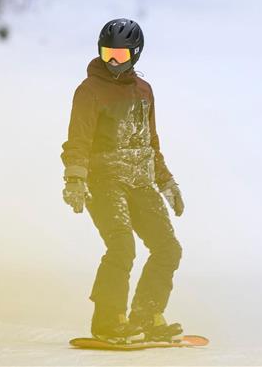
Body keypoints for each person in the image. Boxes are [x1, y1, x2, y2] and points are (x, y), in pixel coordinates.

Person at [60, 18, 185, 344]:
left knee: (167, 248)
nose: (113, 61)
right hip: (104, 181)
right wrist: (75, 178)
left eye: (121, 54)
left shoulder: (144, 91)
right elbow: (78, 139)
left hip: (141, 180)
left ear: (136, 54)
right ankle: (107, 321)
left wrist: (166, 181)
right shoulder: (89, 91)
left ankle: (147, 315)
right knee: (122, 246)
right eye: (107, 53)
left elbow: (150, 142)